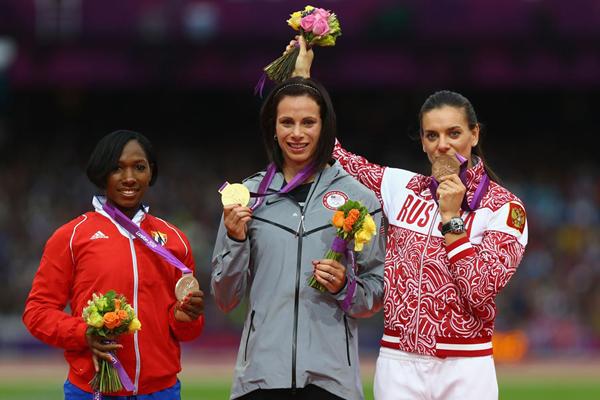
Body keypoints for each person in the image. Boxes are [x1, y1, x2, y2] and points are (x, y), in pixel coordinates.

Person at [291, 38, 528, 399]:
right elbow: (333, 159)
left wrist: (451, 219)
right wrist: (303, 82)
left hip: (466, 365)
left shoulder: (504, 209)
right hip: (397, 360)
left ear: (475, 134)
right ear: (422, 142)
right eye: (431, 135)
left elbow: (481, 292)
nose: (442, 145)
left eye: (454, 133)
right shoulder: (401, 187)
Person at [211, 77, 385, 400]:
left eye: (308, 122)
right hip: (260, 380)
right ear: (273, 128)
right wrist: (235, 240)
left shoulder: (359, 199)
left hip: (332, 383)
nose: (297, 133)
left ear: (325, 127)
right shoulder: (247, 197)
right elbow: (225, 298)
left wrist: (344, 287)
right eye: (286, 122)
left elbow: (377, 292)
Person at [23, 130, 205, 399]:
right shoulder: (72, 237)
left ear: (151, 173)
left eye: (139, 167)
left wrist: (186, 317)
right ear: (101, 173)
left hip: (161, 392)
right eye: (117, 168)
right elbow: (37, 312)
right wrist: (83, 333)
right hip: (93, 390)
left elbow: (185, 330)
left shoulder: (175, 240)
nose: (129, 178)